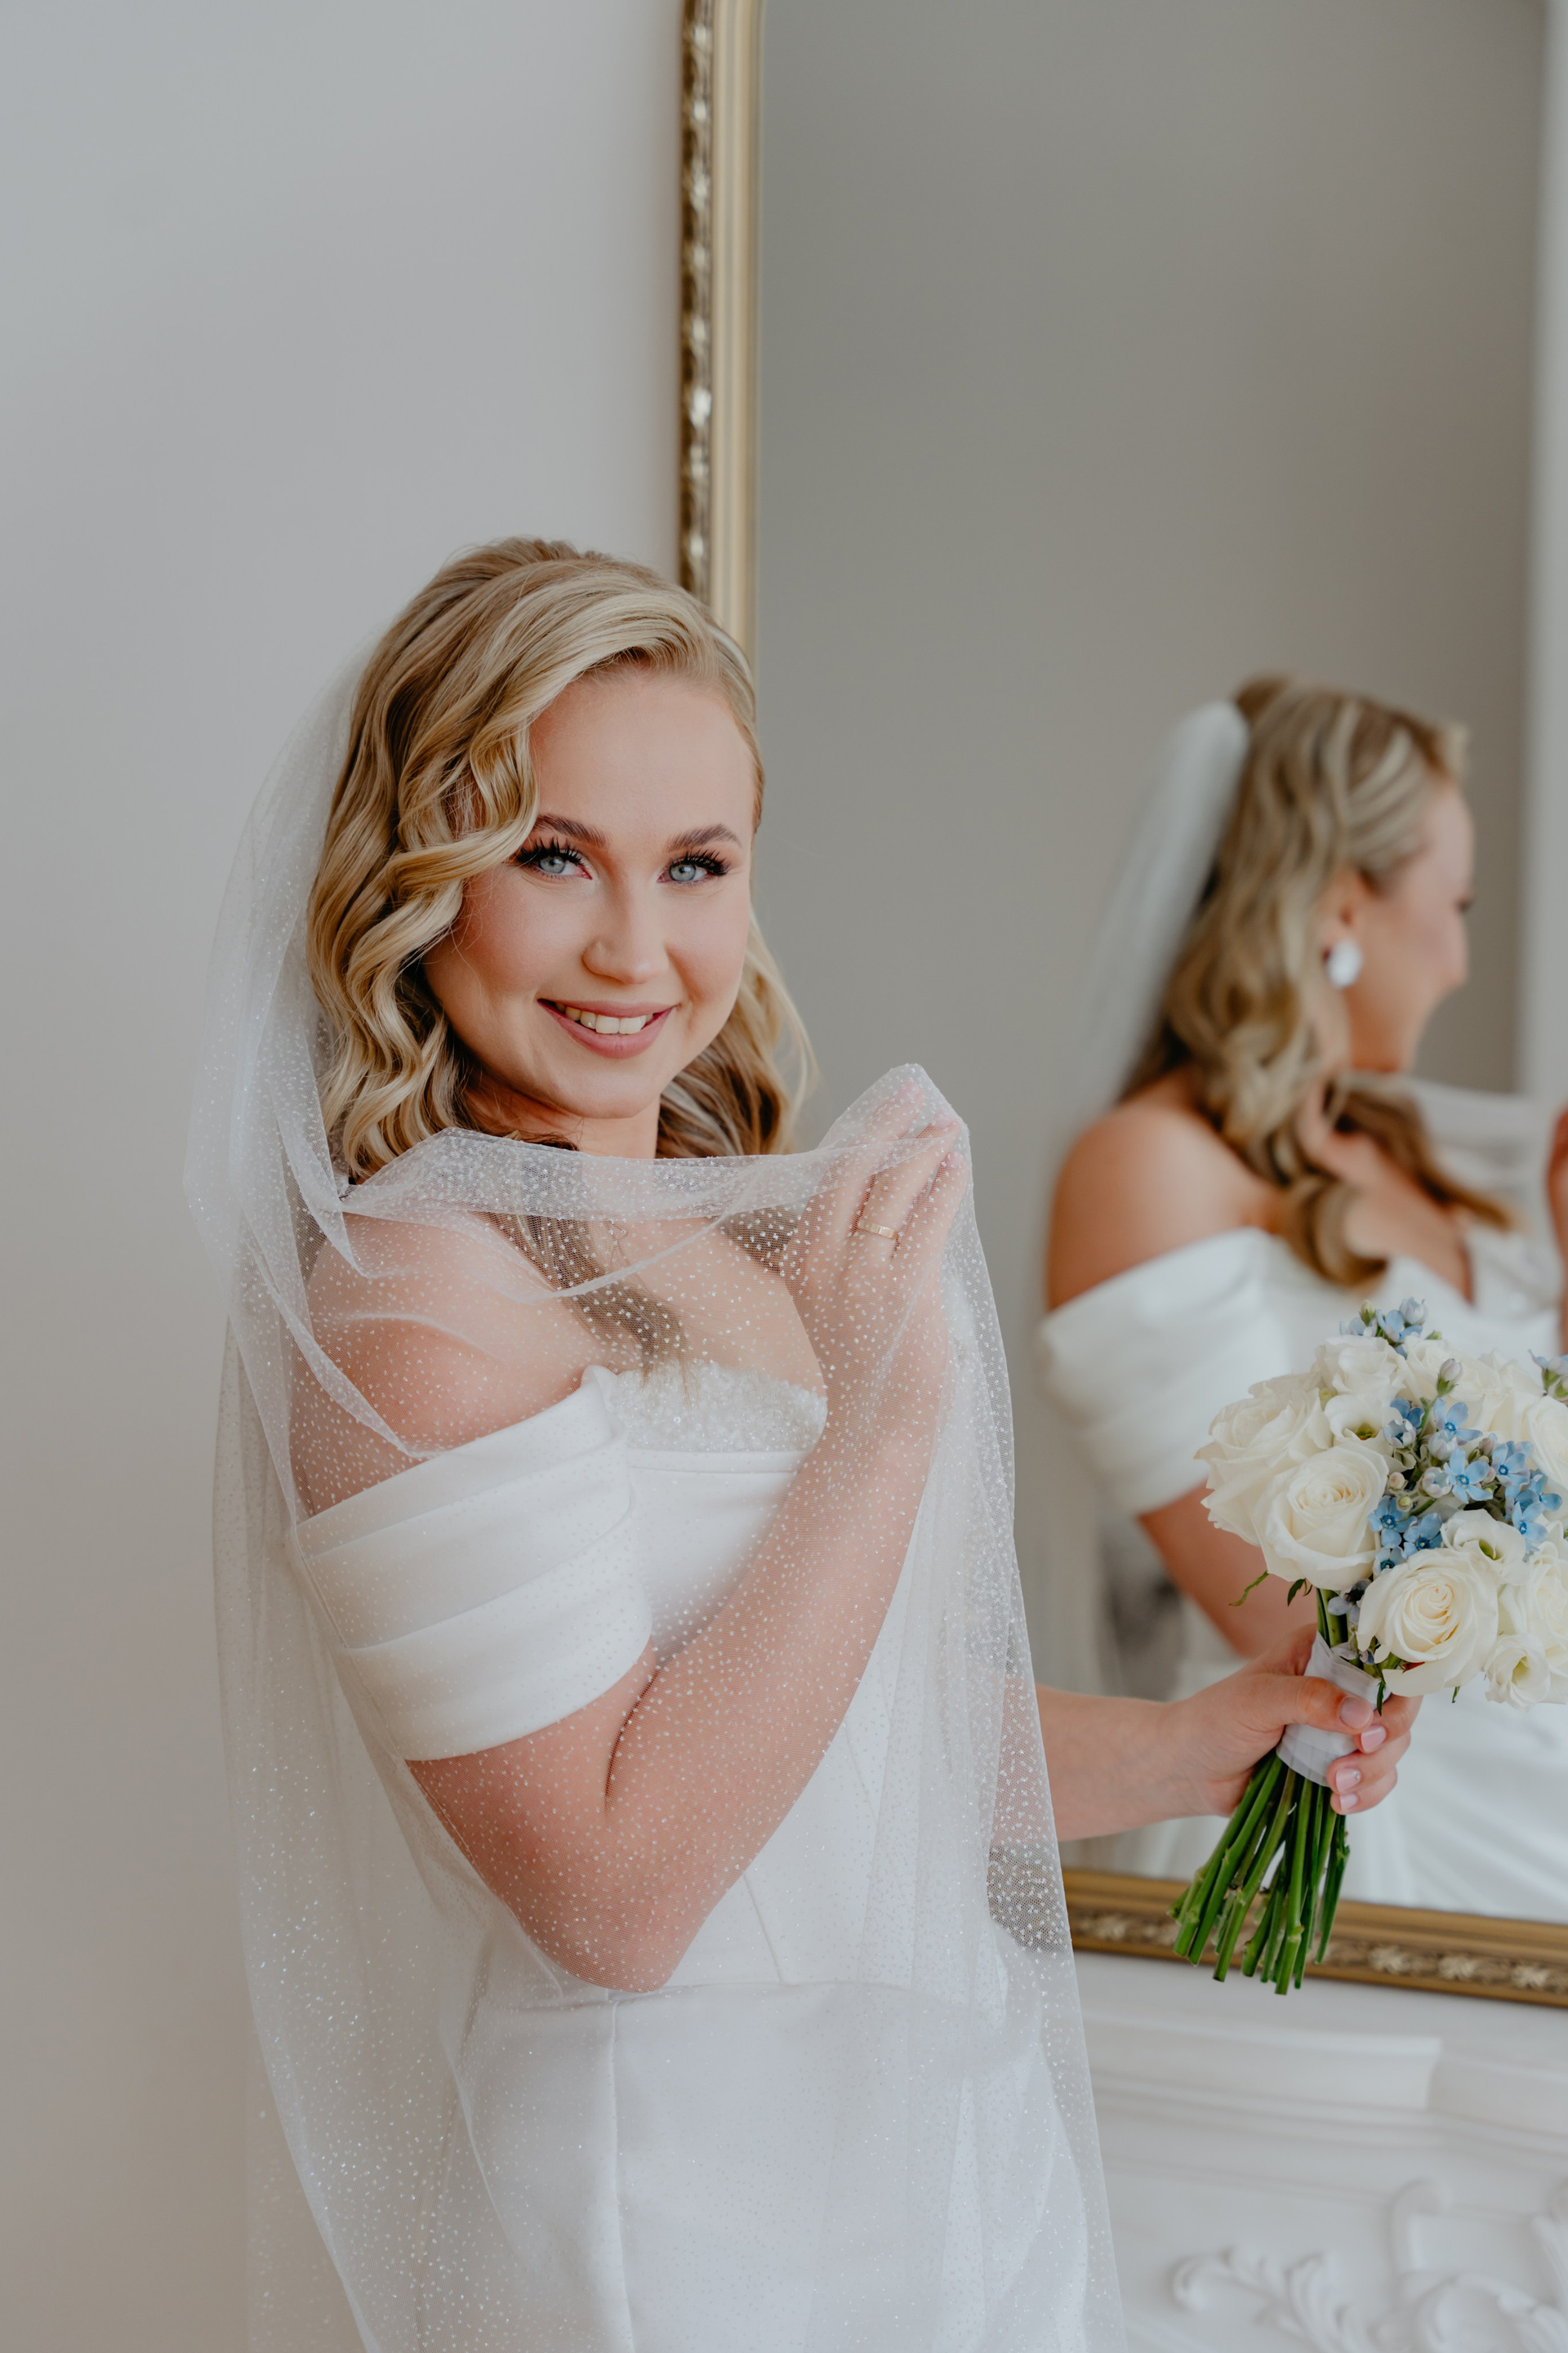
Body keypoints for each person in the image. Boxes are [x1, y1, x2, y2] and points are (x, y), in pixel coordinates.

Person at [187, 555, 1408, 2353]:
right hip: (674, 2214)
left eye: (696, 864)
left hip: (936, 2158)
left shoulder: (730, 1237)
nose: (636, 949)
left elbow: (853, 1740)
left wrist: (1194, 1745)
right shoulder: (416, 1295)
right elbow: (614, 1896)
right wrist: (886, 1420)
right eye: (554, 856)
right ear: (420, 878)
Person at [1040, 677, 1568, 1906]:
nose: (1461, 960)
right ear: (1342, 905)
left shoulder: (1420, 1157)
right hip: (1350, 1815)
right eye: (1454, 906)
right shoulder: (1150, 1169)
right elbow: (1268, 1608)